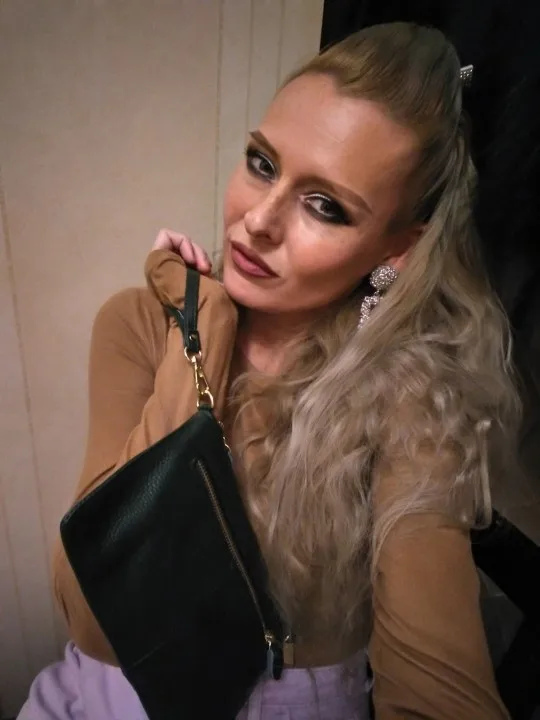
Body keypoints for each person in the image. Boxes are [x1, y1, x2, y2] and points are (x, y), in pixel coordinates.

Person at [22, 22, 520, 720]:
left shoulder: (409, 396)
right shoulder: (139, 325)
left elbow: (441, 692)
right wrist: (201, 325)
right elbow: (95, 618)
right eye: (262, 163)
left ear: (398, 250)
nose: (258, 220)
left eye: (324, 206)